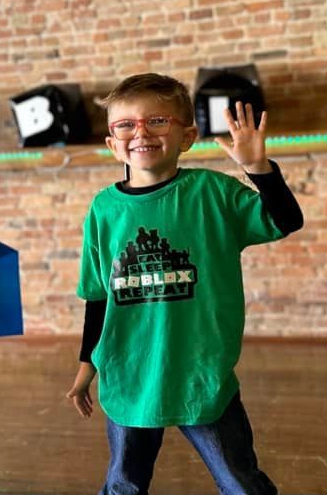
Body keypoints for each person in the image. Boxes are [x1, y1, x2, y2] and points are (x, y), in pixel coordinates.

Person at [67, 73, 304, 495]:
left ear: (188, 136)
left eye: (157, 121)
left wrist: (257, 169)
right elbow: (98, 297)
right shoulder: (103, 209)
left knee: (240, 480)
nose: (141, 132)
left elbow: (286, 220)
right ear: (112, 142)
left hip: (202, 372)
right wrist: (88, 366)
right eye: (126, 124)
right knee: (124, 483)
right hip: (129, 373)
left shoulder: (213, 193)